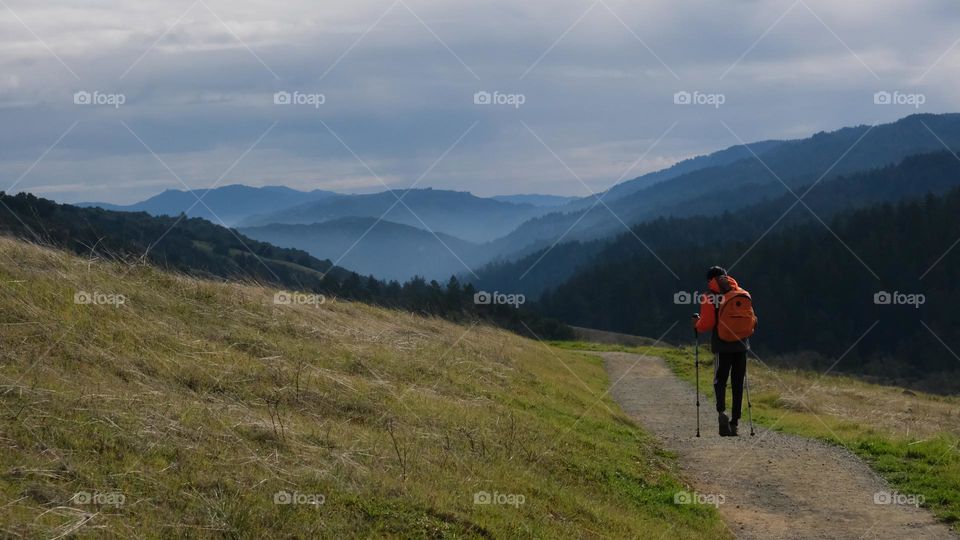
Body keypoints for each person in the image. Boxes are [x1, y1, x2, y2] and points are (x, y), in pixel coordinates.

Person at [692, 266, 751, 437]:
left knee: (720, 381)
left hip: (722, 346)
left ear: (709, 280)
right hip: (741, 345)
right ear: (726, 276)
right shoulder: (742, 293)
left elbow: (707, 324)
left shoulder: (709, 296)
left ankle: (721, 413)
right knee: (738, 383)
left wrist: (696, 324)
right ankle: (735, 422)